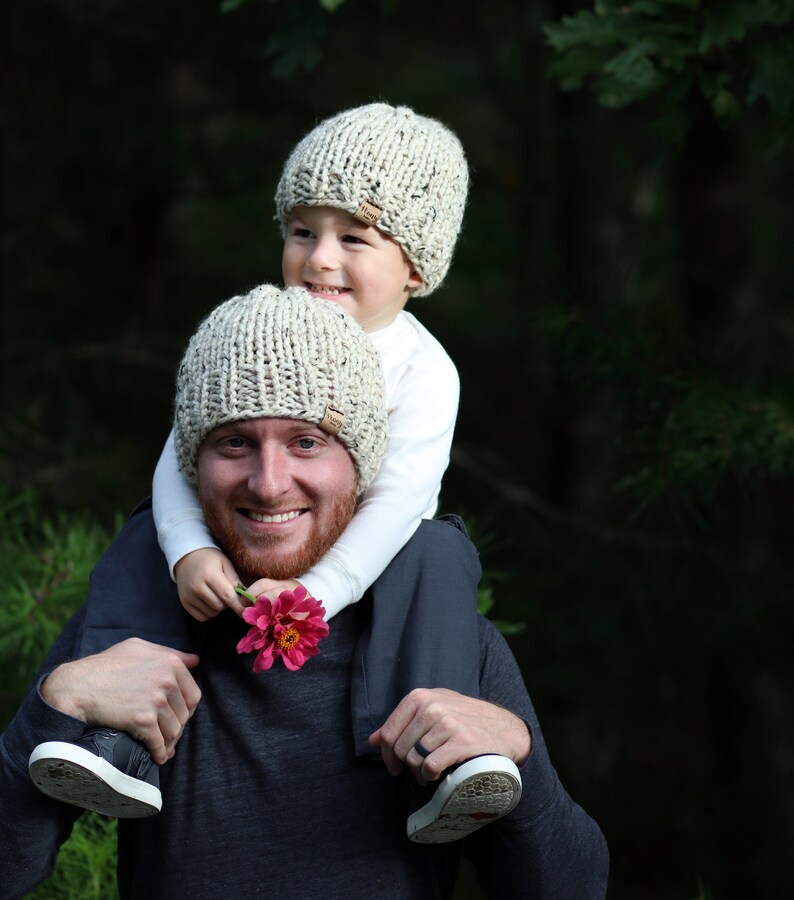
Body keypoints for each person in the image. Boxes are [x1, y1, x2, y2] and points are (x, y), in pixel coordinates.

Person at [2, 287, 609, 899]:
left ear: (363, 463)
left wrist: (520, 762)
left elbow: (572, 888)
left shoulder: (441, 638)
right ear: (191, 463)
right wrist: (51, 710)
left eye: (307, 442)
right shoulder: (132, 629)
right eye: (234, 442)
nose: (268, 484)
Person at [29, 102, 521, 835]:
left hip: (371, 560)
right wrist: (189, 547)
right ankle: (113, 742)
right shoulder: (253, 338)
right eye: (302, 231)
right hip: (247, 554)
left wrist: (316, 593)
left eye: (354, 238)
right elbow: (178, 460)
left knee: (438, 550)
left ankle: (438, 761)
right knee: (142, 538)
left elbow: (398, 501)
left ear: (416, 266)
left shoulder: (423, 370)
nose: (319, 258)